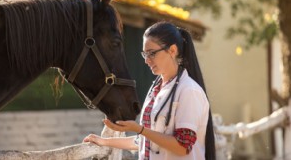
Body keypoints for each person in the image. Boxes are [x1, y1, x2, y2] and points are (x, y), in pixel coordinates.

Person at [83, 21, 216, 160]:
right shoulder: (156, 88)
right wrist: (104, 141)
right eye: (145, 54)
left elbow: (182, 147)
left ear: (172, 50)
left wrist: (139, 129)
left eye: (152, 53)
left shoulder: (189, 91)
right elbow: (146, 141)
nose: (146, 60)